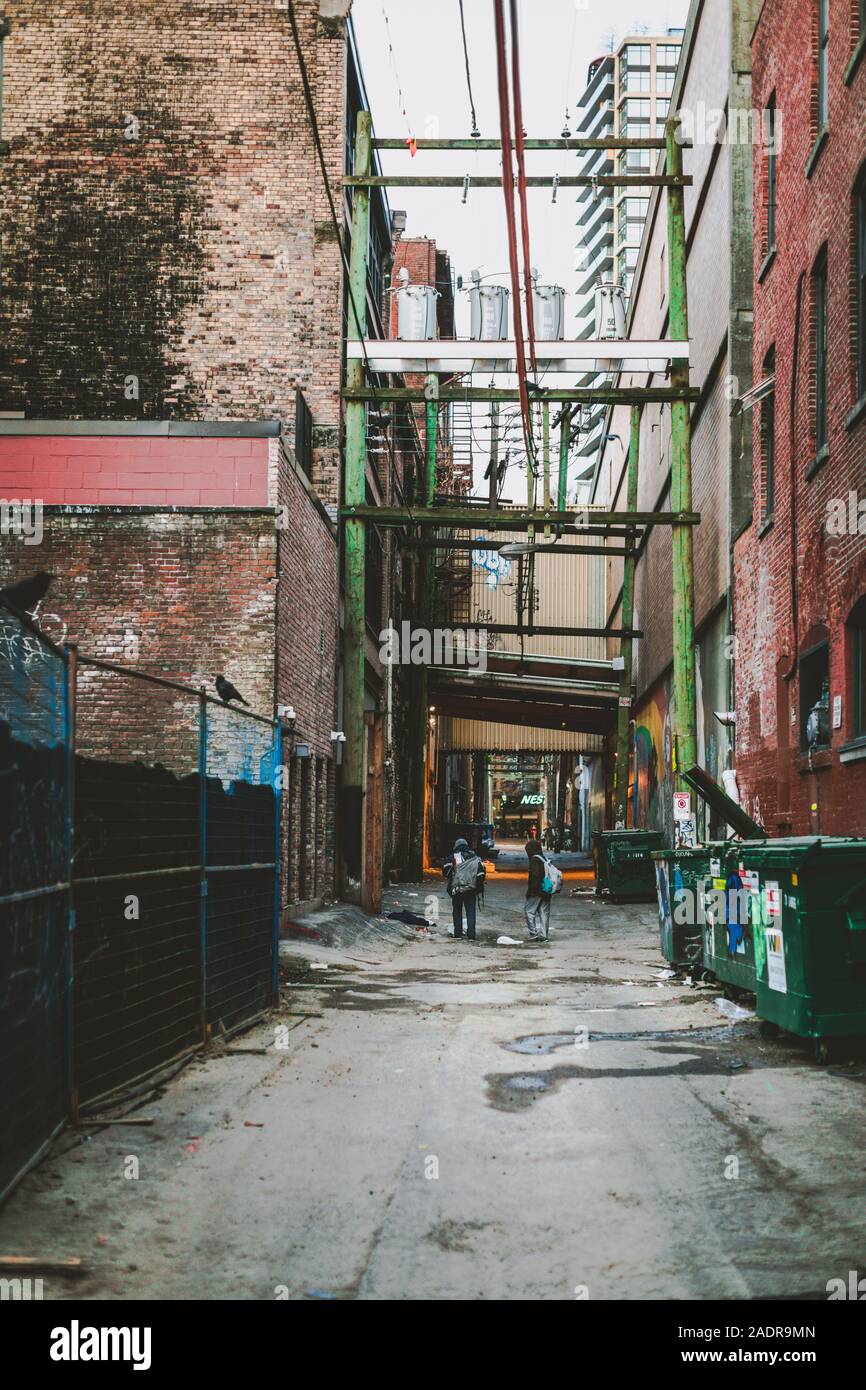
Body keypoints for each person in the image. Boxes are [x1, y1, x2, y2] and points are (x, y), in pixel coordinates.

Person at [444, 836, 485, 940]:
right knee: (471, 911)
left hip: (457, 889)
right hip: (471, 889)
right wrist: (477, 887)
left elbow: (446, 871)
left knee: (457, 910)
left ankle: (458, 933)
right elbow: (481, 873)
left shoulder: (454, 856)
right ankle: (471, 935)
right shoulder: (475, 856)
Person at [524, 837, 552, 941]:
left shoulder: (534, 859)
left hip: (536, 891)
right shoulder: (543, 858)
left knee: (529, 911)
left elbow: (535, 877)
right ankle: (544, 935)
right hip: (547, 889)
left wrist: (530, 891)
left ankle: (533, 933)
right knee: (544, 913)